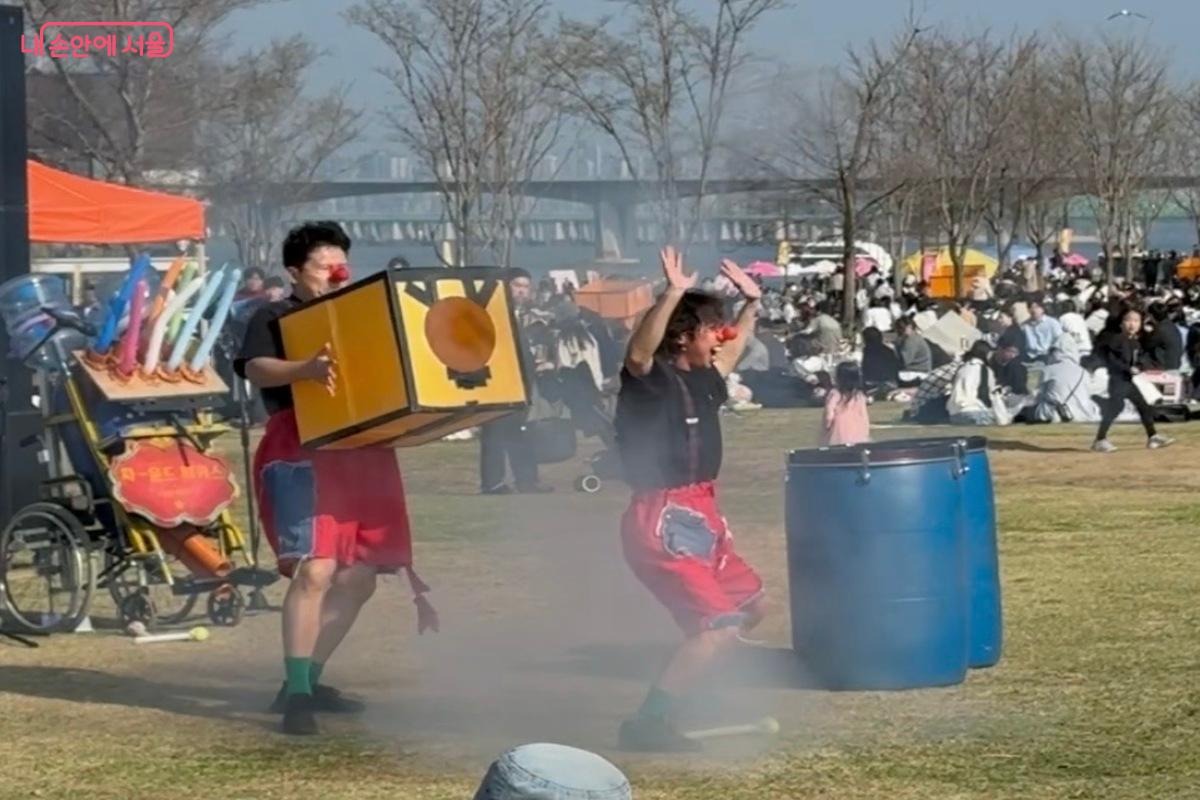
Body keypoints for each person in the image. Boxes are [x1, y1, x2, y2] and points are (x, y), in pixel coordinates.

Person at [235, 221, 436, 736]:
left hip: (359, 448)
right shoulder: (272, 314)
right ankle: (298, 694)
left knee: (359, 577)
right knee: (315, 570)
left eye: (340, 264)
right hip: (299, 445)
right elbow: (255, 368)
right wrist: (303, 368)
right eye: (324, 266)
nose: (336, 273)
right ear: (295, 271)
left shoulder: (358, 317)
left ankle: (306, 678)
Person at [614, 248, 768, 752]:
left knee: (752, 608)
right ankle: (648, 724)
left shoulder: (705, 379)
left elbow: (735, 347)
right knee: (717, 628)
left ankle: (686, 680)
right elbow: (638, 355)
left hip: (703, 511)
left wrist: (752, 302)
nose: (720, 336)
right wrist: (674, 292)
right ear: (683, 336)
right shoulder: (651, 382)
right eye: (711, 329)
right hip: (662, 518)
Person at [479, 268, 550, 494]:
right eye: (517, 285)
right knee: (494, 435)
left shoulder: (522, 315)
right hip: (499, 384)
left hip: (521, 385)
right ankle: (493, 483)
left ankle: (527, 480)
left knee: (519, 432)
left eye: (525, 286)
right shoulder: (495, 314)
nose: (521, 290)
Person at [1092, 307, 1174, 453]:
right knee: (1115, 408)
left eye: (1136, 320)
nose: (1132, 324)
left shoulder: (1134, 341)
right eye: (1128, 320)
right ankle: (1100, 440)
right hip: (1117, 381)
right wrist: (1128, 369)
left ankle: (1153, 437)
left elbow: (1143, 353)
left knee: (1143, 407)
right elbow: (1111, 360)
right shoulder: (1116, 339)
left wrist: (1138, 366)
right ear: (1121, 323)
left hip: (1127, 381)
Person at [948, 341, 1012, 426]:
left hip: (954, 413)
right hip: (973, 410)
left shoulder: (963, 367)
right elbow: (985, 395)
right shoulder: (984, 370)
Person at [822, 361, 870, 446]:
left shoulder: (835, 394)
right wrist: (865, 430)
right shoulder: (859, 396)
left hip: (839, 431)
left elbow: (829, 415)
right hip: (858, 430)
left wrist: (827, 426)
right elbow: (864, 416)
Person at [860, 326, 900, 394]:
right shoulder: (889, 351)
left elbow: (865, 370)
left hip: (873, 384)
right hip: (891, 383)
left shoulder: (867, 351)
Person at [894, 316, 932, 380]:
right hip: (918, 371)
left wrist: (894, 347)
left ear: (909, 327)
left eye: (900, 328)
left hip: (915, 372)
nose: (898, 330)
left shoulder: (911, 340)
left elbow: (904, 361)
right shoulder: (915, 337)